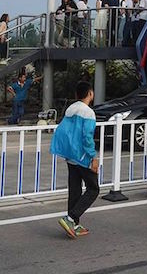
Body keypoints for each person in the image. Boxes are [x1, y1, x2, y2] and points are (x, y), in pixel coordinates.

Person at [50, 81, 99, 239]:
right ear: (90, 94)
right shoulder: (88, 112)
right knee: (93, 189)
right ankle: (70, 218)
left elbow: (65, 131)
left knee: (75, 189)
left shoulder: (70, 109)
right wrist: (93, 157)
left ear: (76, 95)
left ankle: (74, 224)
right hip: (82, 156)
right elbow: (87, 137)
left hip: (70, 156)